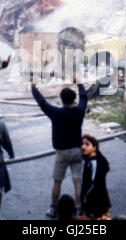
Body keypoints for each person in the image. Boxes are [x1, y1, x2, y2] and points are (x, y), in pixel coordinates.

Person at [31, 80, 88, 218]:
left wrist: (33, 88)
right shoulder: (79, 112)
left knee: (58, 181)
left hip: (62, 152)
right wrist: (79, 82)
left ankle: (53, 208)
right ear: (74, 99)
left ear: (61, 100)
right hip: (76, 151)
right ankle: (79, 209)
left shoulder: (56, 113)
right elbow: (84, 97)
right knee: (77, 181)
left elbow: (42, 103)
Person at [80, 134, 111, 220]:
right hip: (92, 204)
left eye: (87, 144)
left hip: (98, 204)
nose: (83, 146)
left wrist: (86, 195)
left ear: (94, 148)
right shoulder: (90, 160)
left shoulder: (95, 162)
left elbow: (95, 181)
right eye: (82, 144)